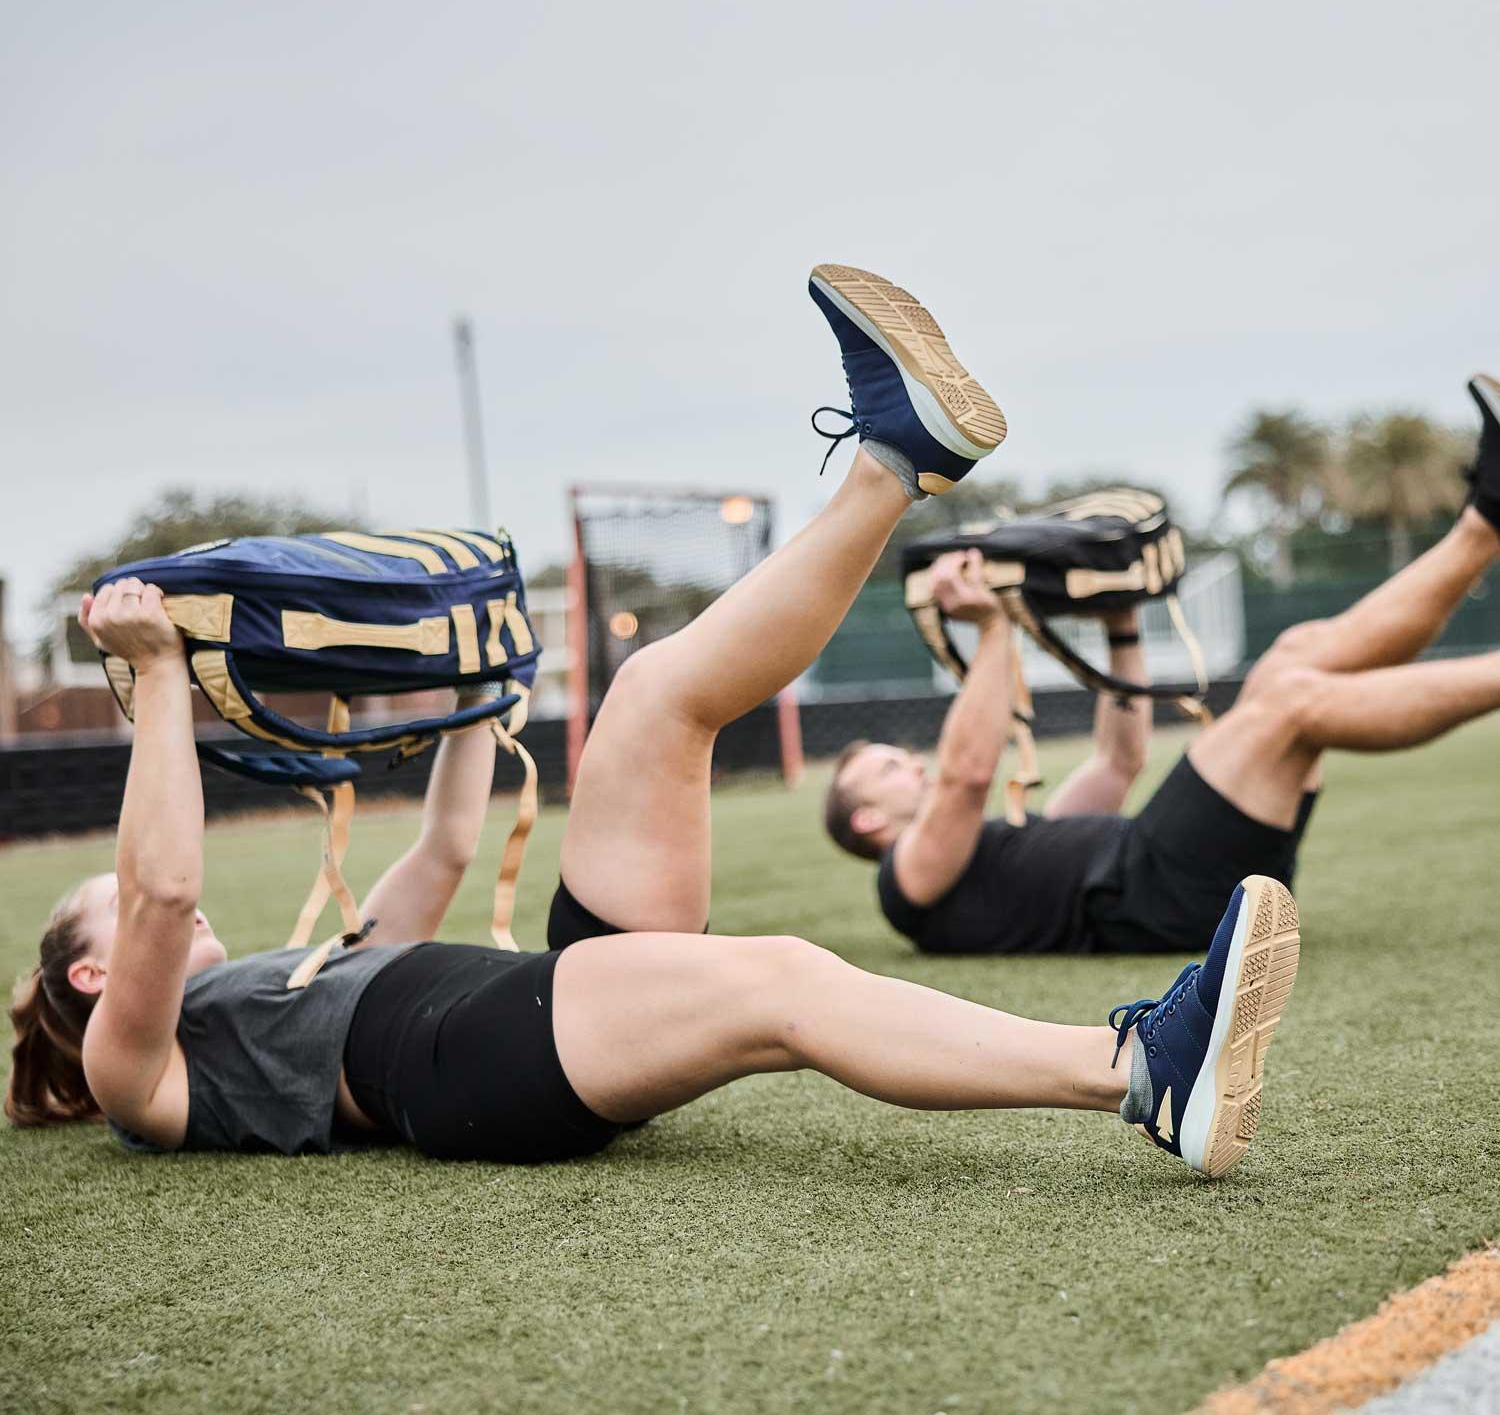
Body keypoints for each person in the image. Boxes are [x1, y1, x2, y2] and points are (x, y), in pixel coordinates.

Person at [5, 264, 1303, 1179]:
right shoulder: (142, 1071)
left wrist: (482, 688)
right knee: (782, 982)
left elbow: (451, 847)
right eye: (105, 917)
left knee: (655, 699)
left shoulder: (286, 972)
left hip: (547, 992)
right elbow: (163, 890)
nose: (151, 911)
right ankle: (1140, 1074)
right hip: (473, 1067)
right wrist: (160, 678)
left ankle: (896, 461)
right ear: (91, 977)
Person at [824, 373, 1500, 959]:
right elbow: (967, 777)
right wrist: (993, 630)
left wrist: (1121, 625)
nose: (912, 763)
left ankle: (1485, 520)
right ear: (868, 824)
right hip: (1157, 889)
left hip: (1168, 873)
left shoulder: (1003, 851)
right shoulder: (906, 882)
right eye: (888, 768)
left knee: (1291, 657)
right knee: (1290, 701)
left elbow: (1118, 764)